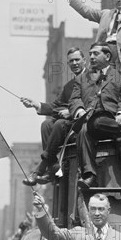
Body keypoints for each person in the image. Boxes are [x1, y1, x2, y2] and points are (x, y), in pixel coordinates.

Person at [69, 42, 121, 189]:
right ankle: (89, 175)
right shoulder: (82, 78)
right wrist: (79, 111)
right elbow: (74, 99)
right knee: (83, 131)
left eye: (95, 53)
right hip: (90, 119)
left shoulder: (120, 76)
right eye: (90, 53)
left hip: (112, 119)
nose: (91, 57)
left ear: (108, 56)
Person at [20, 48, 86, 185]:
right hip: (70, 125)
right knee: (46, 125)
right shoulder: (69, 86)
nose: (74, 63)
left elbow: (94, 102)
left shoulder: (93, 79)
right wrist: (36, 104)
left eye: (77, 60)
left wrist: (72, 111)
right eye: (71, 61)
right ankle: (53, 167)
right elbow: (56, 105)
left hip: (85, 123)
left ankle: (41, 169)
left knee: (58, 123)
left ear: (84, 61)